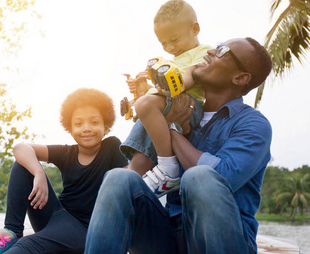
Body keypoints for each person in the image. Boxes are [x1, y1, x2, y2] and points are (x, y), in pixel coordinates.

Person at [85, 37, 273, 254]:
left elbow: (222, 176)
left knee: (199, 176)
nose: (210, 51)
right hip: (169, 235)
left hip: (225, 240)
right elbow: (140, 169)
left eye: (222, 50)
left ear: (240, 77)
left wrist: (172, 129)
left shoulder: (253, 124)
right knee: (118, 178)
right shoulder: (178, 108)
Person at [0, 88, 128, 254]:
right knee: (23, 164)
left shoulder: (112, 147)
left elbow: (129, 181)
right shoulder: (67, 152)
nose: (86, 128)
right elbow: (21, 148)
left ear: (106, 127)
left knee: (27, 246)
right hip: (54, 215)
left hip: (83, 228)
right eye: (78, 124)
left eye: (94, 122)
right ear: (70, 129)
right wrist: (38, 173)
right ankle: (12, 233)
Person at [122, 0, 211, 196]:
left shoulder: (203, 52)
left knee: (145, 104)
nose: (170, 47)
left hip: (188, 106)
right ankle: (136, 192)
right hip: (166, 105)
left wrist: (162, 90)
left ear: (195, 29)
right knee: (134, 166)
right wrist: (143, 89)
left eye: (174, 39)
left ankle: (168, 166)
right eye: (163, 43)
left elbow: (189, 78)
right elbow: (157, 98)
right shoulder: (171, 61)